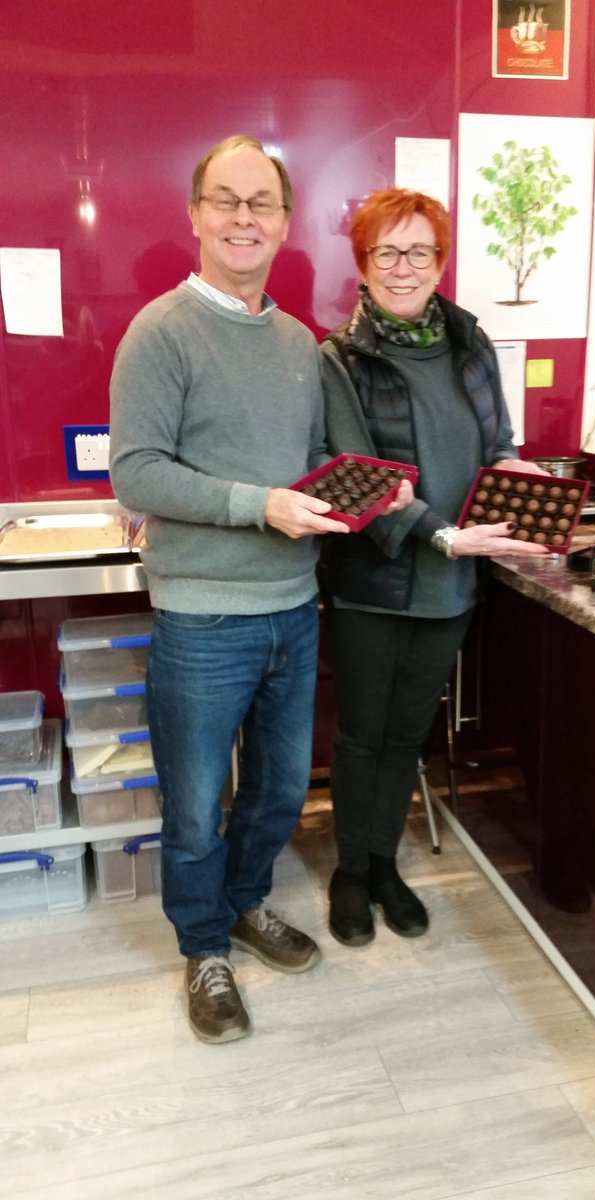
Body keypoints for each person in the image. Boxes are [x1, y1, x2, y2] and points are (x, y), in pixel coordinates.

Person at [109, 136, 371, 1045]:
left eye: (260, 202)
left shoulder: (300, 342)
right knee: (192, 805)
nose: (243, 218)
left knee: (278, 791)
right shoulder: (160, 331)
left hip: (293, 612)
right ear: (195, 215)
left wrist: (365, 491)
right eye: (225, 200)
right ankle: (203, 947)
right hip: (202, 617)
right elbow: (138, 473)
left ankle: (247, 903)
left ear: (285, 221)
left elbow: (304, 469)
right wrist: (259, 505)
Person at [320, 187, 551, 947]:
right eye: (385, 251)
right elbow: (359, 476)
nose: (402, 266)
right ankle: (350, 874)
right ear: (363, 262)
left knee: (406, 735)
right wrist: (444, 536)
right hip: (373, 583)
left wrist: (523, 473)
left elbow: (496, 442)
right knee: (363, 736)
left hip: (450, 589)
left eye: (418, 250)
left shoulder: (469, 343)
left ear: (440, 261)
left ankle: (383, 864)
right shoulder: (339, 358)